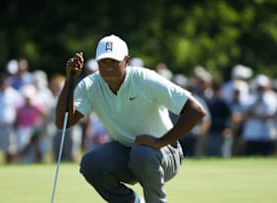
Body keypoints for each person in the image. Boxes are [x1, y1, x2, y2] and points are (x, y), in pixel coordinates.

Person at [55, 34, 206, 203]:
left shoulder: (145, 79)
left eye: (114, 62)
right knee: (91, 163)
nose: (108, 67)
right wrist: (70, 80)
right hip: (127, 152)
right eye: (103, 62)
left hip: (165, 152)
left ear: (127, 61)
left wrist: (160, 142)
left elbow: (196, 110)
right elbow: (63, 122)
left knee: (142, 154)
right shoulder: (90, 85)